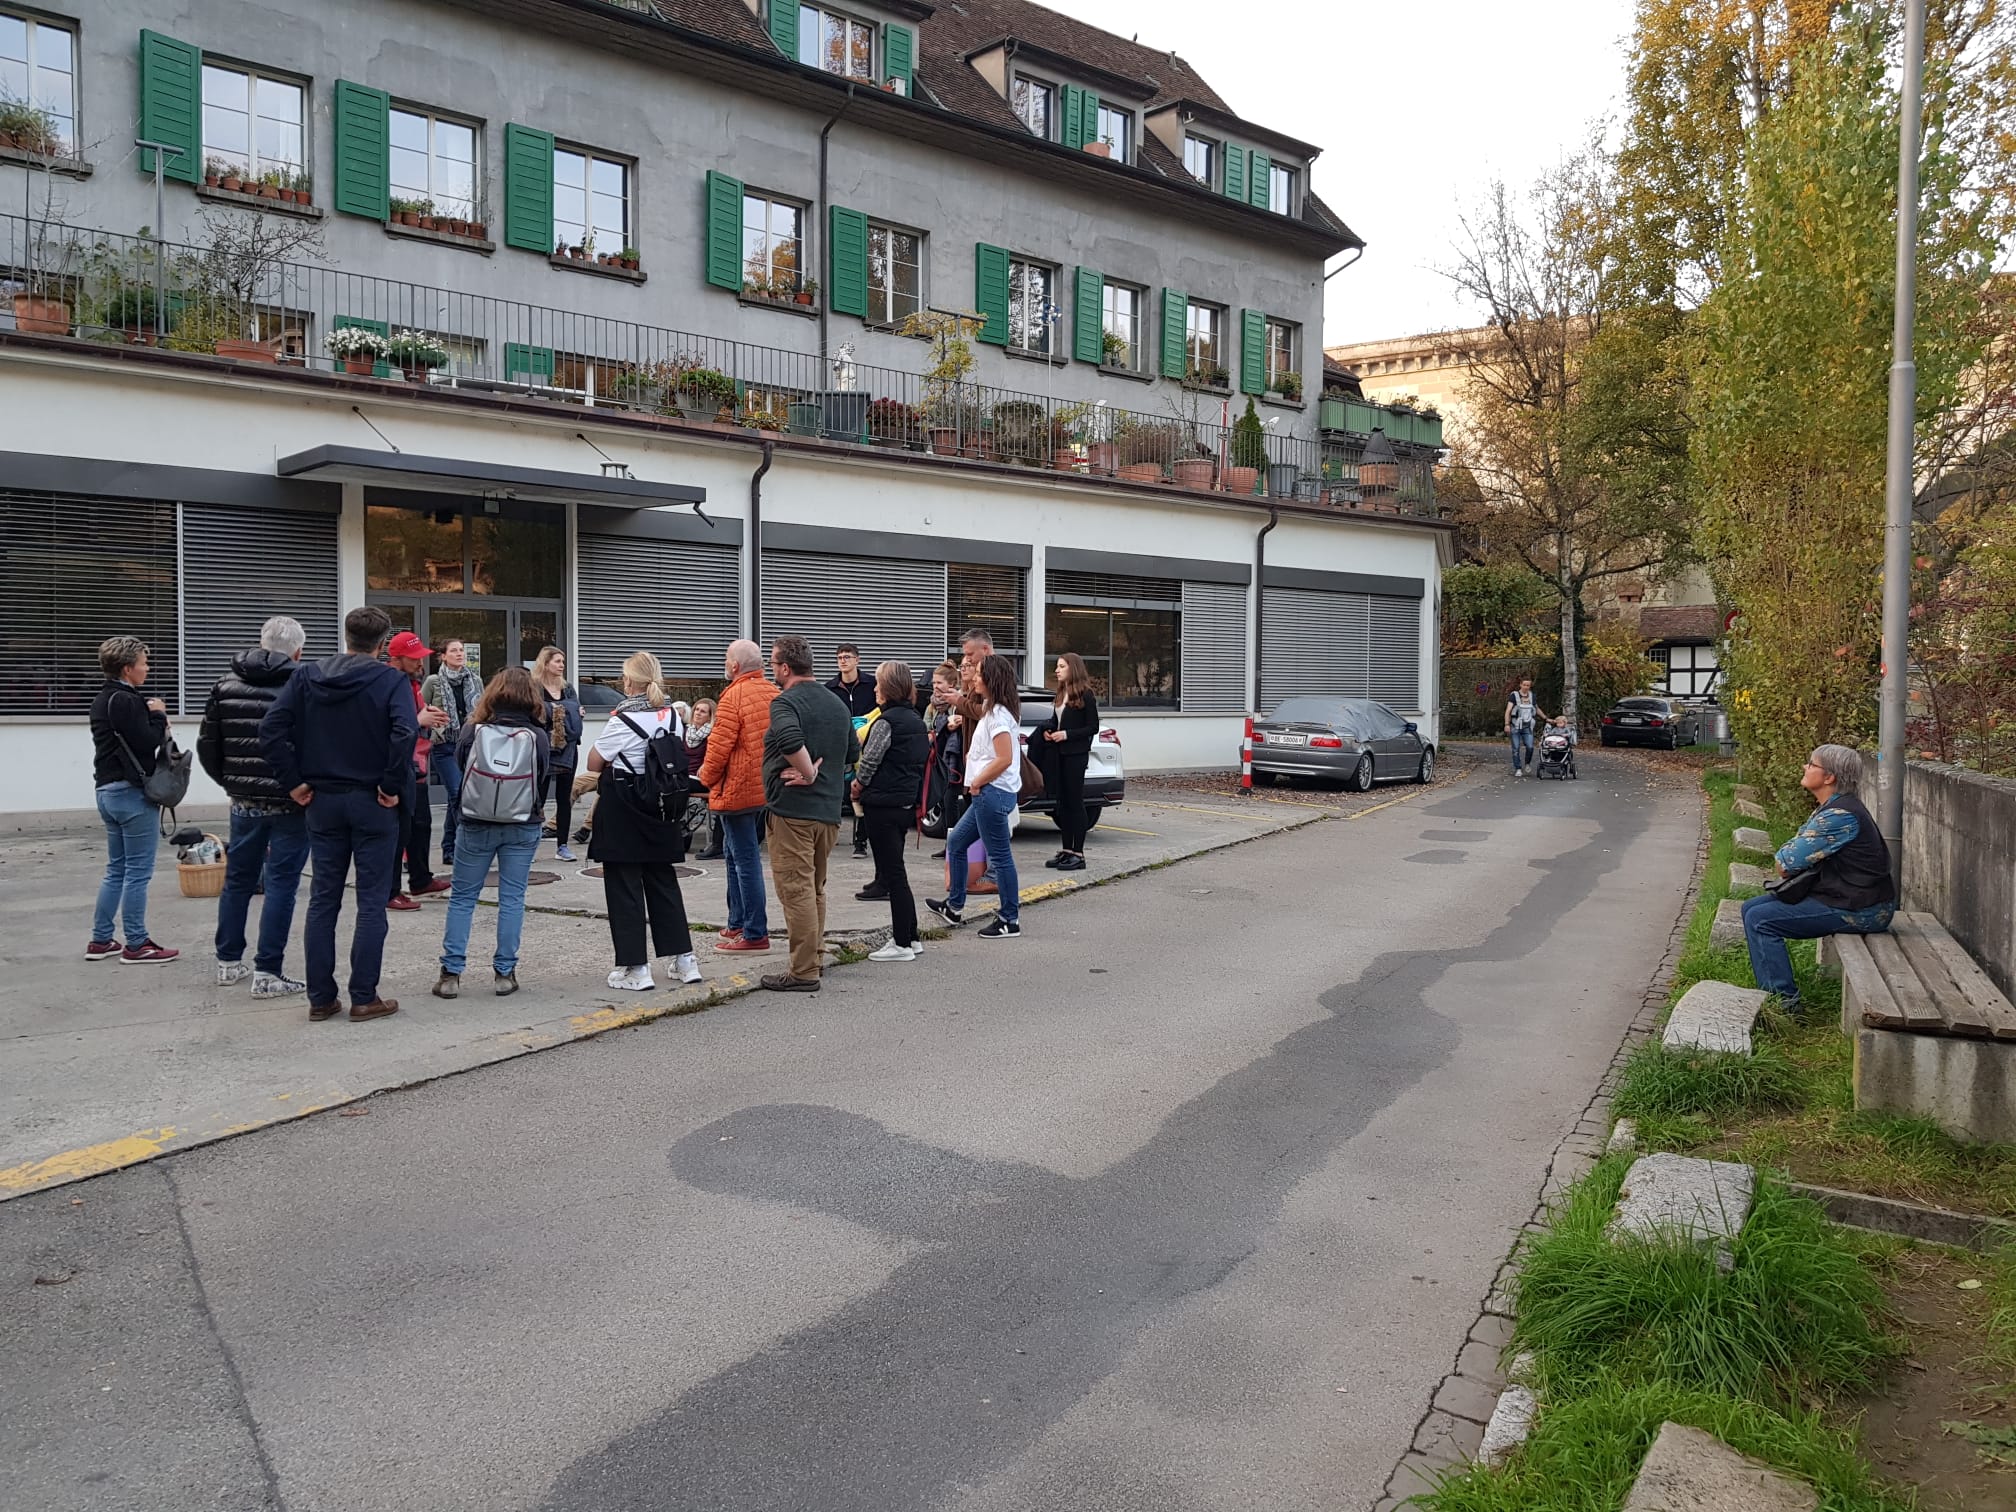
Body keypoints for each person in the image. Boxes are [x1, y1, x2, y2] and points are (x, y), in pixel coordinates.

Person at [260, 605, 416, 1022]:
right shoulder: (391, 680)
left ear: (346, 636)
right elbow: (405, 732)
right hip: (373, 800)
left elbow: (271, 729)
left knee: (323, 899)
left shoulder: (307, 676)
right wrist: (390, 785)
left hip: (322, 799)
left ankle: (321, 997)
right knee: (371, 901)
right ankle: (364, 995)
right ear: (382, 644)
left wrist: (293, 781)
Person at [196, 614, 309, 995]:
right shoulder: (304, 684)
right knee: (282, 884)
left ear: (262, 643)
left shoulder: (226, 683)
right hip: (292, 799)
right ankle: (268, 971)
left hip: (243, 801)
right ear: (298, 651)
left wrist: (230, 783)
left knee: (238, 881)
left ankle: (228, 962)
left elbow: (208, 744)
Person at [1740, 744, 1897, 1016]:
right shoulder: (1836, 807)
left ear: (1829, 777)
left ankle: (1784, 1006)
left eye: (1812, 764)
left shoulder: (1839, 816)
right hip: (1849, 896)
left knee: (1760, 920)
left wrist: (1791, 851)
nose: (1805, 767)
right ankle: (1776, 995)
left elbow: (1785, 865)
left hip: (1864, 910)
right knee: (1749, 908)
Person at [586, 651, 701, 992]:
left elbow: (594, 762)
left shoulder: (622, 721)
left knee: (624, 886)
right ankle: (684, 960)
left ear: (629, 682)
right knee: (663, 881)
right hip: (661, 806)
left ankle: (636, 967)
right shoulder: (673, 716)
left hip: (624, 806)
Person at [434, 666, 551, 1000]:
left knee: (462, 897)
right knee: (512, 898)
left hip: (476, 821)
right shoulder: (537, 735)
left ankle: (451, 974)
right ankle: (504, 973)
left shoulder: (473, 730)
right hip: (522, 822)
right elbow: (542, 777)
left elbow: (461, 766)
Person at [761, 634, 859, 992]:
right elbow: (852, 752)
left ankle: (803, 971)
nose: (772, 670)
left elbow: (788, 739)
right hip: (828, 813)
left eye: (773, 664)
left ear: (786, 668)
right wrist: (820, 767)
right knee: (814, 888)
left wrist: (807, 770)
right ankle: (814, 956)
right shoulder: (836, 703)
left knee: (796, 889)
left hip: (792, 812)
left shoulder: (785, 702)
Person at [87, 635, 178, 965]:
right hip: (131, 793)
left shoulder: (101, 700)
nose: (147, 668)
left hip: (106, 790)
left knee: (116, 869)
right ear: (127, 668)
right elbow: (147, 741)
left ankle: (101, 940)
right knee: (138, 873)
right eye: (143, 663)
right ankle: (137, 943)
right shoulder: (128, 700)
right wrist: (158, 715)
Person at [927, 652, 1024, 940]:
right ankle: (954, 907)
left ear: (992, 679)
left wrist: (978, 780)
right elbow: (993, 752)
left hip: (992, 793)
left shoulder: (999, 716)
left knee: (1000, 857)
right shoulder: (992, 710)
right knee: (956, 843)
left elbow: (1005, 758)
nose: (975, 678)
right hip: (987, 792)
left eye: (980, 673)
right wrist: (975, 758)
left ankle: (1009, 919)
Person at [697, 640, 779, 955]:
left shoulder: (733, 696)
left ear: (734, 666)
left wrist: (704, 778)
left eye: (726, 659)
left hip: (738, 788)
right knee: (735, 854)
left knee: (744, 860)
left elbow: (718, 749)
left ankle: (754, 931)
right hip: (765, 787)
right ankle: (737, 921)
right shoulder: (773, 692)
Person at [852, 660, 928, 962]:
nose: (875, 688)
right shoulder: (916, 720)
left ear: (889, 687)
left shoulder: (886, 722)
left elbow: (869, 761)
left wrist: (857, 785)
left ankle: (901, 943)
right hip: (905, 802)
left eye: (879, 683)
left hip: (882, 804)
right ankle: (911, 935)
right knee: (898, 870)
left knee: (892, 874)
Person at [384, 631, 451, 910]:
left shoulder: (411, 683)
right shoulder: (389, 683)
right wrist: (419, 719)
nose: (420, 662)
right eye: (414, 658)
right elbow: (389, 725)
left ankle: (421, 879)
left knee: (420, 825)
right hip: (400, 766)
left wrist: (429, 715)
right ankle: (390, 891)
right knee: (399, 831)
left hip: (418, 763)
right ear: (396, 658)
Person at [420, 638, 480, 867]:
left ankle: (449, 849)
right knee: (457, 794)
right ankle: (467, 847)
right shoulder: (434, 681)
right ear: (443, 656)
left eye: (461, 650)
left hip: (469, 745)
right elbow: (420, 708)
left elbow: (483, 708)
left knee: (458, 796)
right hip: (444, 745)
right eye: (454, 650)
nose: (459, 654)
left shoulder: (475, 680)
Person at [1040, 650, 1100, 873]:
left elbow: (1092, 727)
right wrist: (1049, 730)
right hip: (1060, 753)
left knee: (1075, 802)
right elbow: (1056, 720)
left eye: (1062, 666)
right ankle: (1066, 850)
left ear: (1073, 668)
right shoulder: (1061, 693)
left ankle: (1078, 853)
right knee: (1062, 803)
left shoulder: (1086, 695)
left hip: (1076, 754)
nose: (1057, 670)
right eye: (1057, 666)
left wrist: (1066, 735)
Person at [532, 646, 583, 862]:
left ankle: (562, 846)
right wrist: (565, 710)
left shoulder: (567, 688)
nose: (562, 665)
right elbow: (534, 713)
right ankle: (531, 845)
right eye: (557, 661)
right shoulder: (534, 686)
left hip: (567, 748)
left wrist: (560, 710)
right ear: (545, 664)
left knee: (564, 798)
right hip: (543, 748)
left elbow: (577, 712)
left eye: (562, 661)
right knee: (538, 797)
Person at [827, 643, 877, 857]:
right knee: (840, 791)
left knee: (862, 790)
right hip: (841, 745)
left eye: (847, 657)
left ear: (857, 659)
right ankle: (830, 834)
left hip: (868, 743)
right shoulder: (830, 688)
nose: (843, 661)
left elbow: (881, 710)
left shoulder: (872, 684)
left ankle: (861, 841)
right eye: (839, 657)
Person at [686, 697, 722, 860]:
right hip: (686, 776)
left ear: (710, 716)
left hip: (703, 779)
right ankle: (680, 834)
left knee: (673, 786)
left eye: (703, 711)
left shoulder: (713, 735)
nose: (698, 713)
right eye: (697, 710)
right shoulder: (686, 732)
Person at [1504, 677, 1550, 778]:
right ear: (1520, 685)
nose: (1526, 687)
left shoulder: (1532, 696)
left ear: (1530, 686)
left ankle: (1527, 763)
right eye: (1524, 685)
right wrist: (1507, 724)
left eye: (1528, 685)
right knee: (1516, 748)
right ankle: (1518, 768)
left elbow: (1536, 709)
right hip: (1515, 726)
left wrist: (1546, 718)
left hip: (1527, 727)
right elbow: (1508, 710)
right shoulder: (1514, 696)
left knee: (1530, 747)